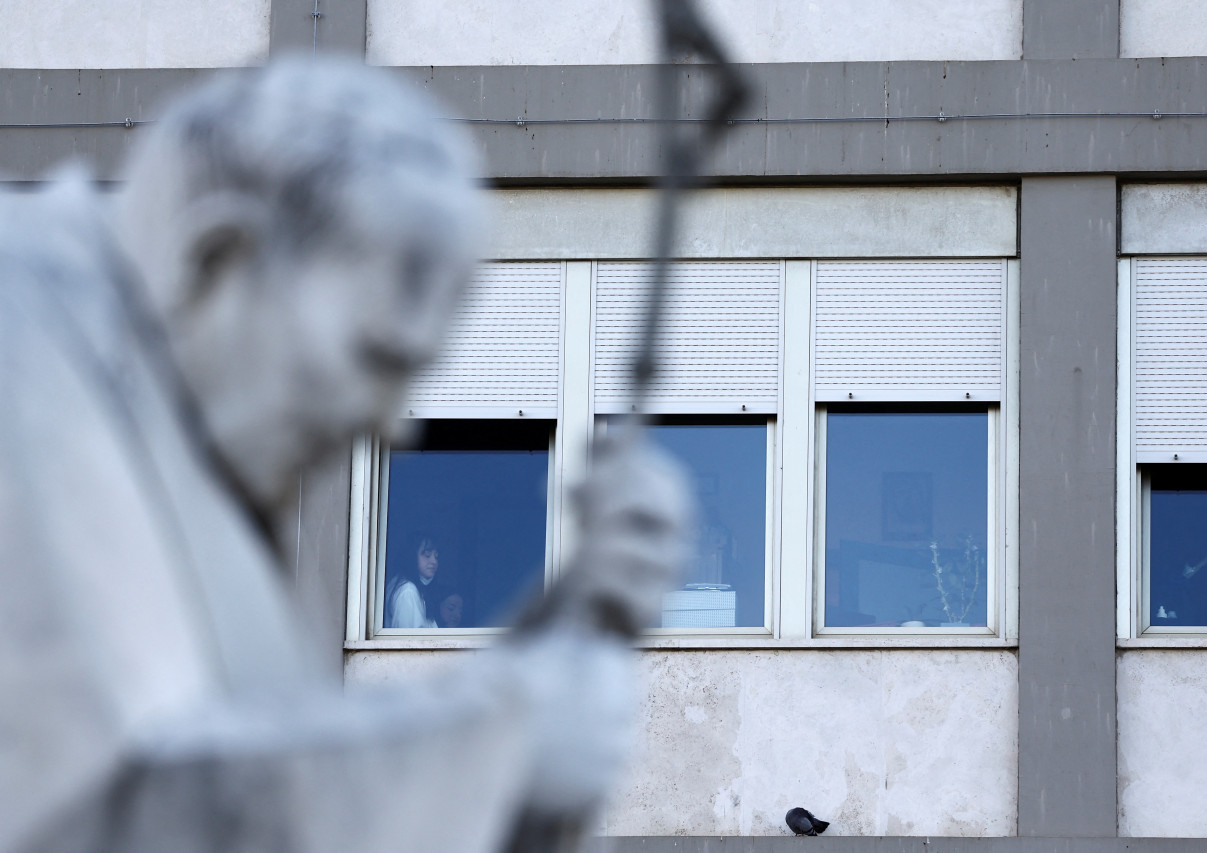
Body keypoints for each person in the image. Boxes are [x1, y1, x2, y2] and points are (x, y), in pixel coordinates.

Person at [0, 57, 692, 853]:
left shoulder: (191, 439)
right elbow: (81, 802)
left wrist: (565, 624)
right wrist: (501, 739)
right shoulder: (19, 329)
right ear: (219, 259)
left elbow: (244, 772)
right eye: (376, 357)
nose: (393, 428)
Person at [387, 538, 442, 628]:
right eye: (427, 555)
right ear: (412, 556)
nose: (434, 561)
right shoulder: (408, 591)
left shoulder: (402, 584)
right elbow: (410, 640)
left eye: (436, 556)